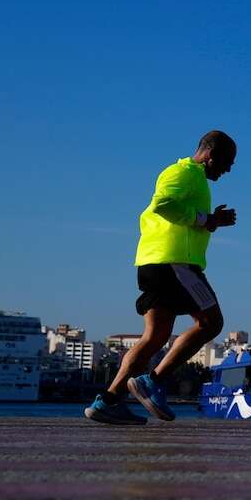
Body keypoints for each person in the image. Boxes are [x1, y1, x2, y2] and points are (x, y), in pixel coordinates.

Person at [86, 131, 238, 425]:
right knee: (211, 322)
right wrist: (207, 220)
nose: (228, 169)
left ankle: (107, 401)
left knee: (154, 337)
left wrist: (211, 222)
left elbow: (183, 218)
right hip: (174, 263)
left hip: (154, 262)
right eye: (227, 162)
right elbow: (162, 205)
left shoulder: (194, 180)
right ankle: (152, 381)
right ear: (210, 155)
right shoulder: (183, 172)